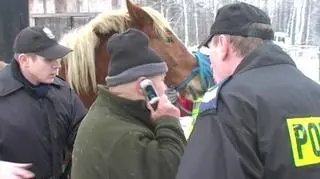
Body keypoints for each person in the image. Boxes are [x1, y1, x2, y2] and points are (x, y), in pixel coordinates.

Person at [176, 2, 320, 179]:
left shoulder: (230, 102)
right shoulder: (314, 92)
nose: (209, 59)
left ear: (222, 45)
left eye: (209, 48)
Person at [71, 28, 187, 179]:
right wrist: (168, 121)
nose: (165, 88)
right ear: (144, 86)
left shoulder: (109, 113)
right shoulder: (122, 136)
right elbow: (174, 170)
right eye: (161, 80)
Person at [0, 26, 87, 178]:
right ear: (24, 60)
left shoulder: (63, 93)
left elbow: (85, 137)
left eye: (57, 58)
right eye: (48, 59)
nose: (57, 65)